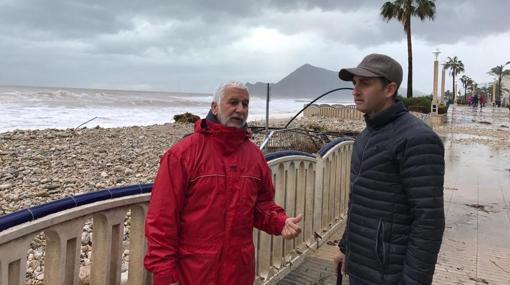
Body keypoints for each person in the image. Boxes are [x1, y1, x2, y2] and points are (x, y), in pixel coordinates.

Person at [144, 81, 302, 285]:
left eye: (245, 104)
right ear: (214, 107)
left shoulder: (255, 157)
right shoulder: (182, 155)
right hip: (193, 273)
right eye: (233, 102)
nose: (240, 109)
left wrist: (280, 222)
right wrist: (164, 275)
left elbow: (260, 206)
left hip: (239, 272)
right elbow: (162, 221)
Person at [333, 54, 445, 285]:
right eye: (354, 83)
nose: (355, 91)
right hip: (361, 268)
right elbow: (360, 203)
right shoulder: (365, 137)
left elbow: (429, 220)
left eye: (364, 83)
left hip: (390, 274)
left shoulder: (418, 139)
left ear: (389, 89)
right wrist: (346, 249)